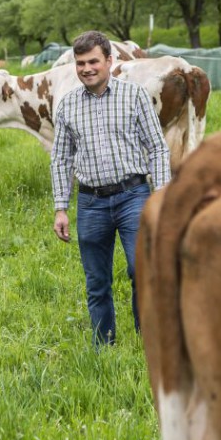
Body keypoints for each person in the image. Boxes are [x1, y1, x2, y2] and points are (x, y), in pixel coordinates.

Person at [50, 30, 172, 346]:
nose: (87, 68)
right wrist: (61, 207)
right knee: (96, 281)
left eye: (93, 61)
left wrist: (160, 194)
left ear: (109, 61)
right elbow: (61, 159)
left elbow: (157, 148)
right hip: (91, 202)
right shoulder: (67, 106)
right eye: (80, 63)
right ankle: (105, 345)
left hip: (134, 196)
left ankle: (148, 336)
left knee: (141, 269)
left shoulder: (135, 96)